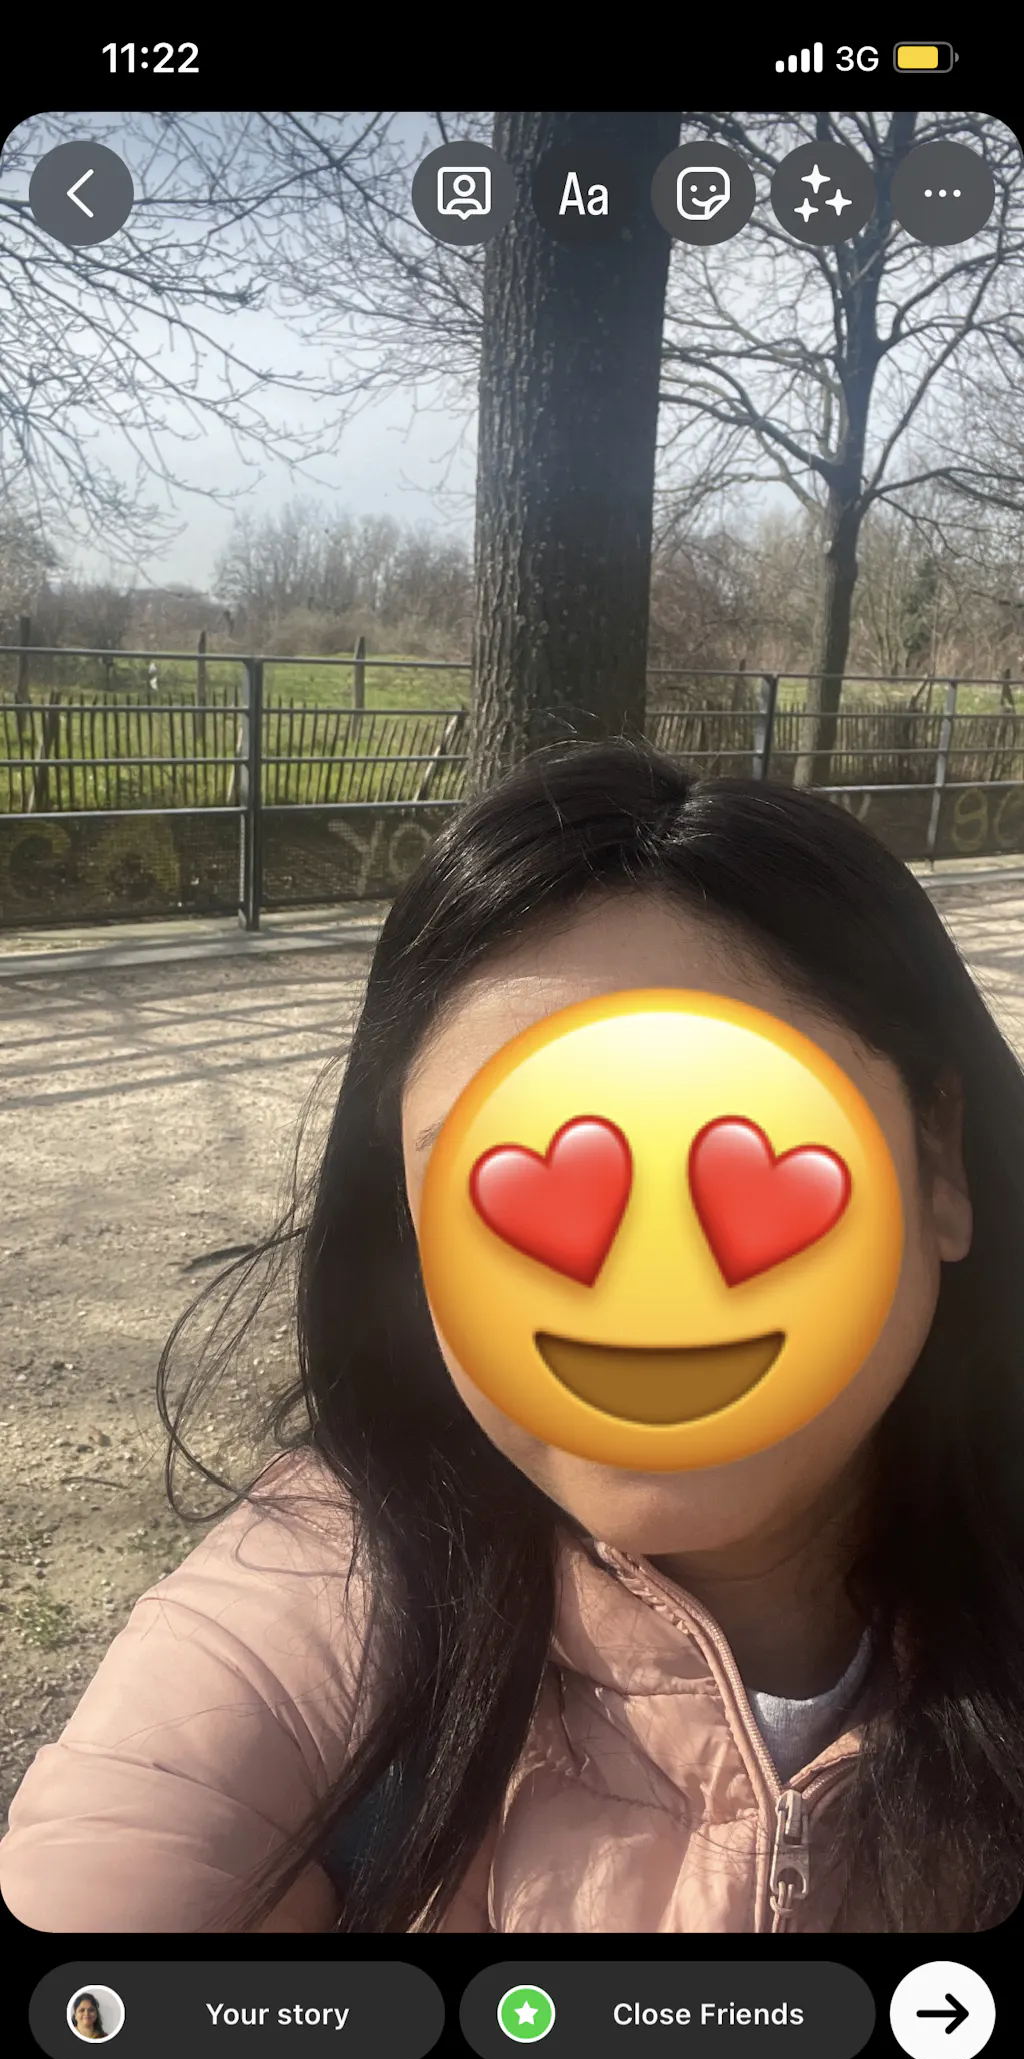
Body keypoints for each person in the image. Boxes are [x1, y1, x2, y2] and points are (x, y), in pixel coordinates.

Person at [2, 735, 1024, 1936]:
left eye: (741, 1146)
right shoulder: (309, 1615)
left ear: (938, 1161)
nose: (646, 1290)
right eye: (508, 1184)